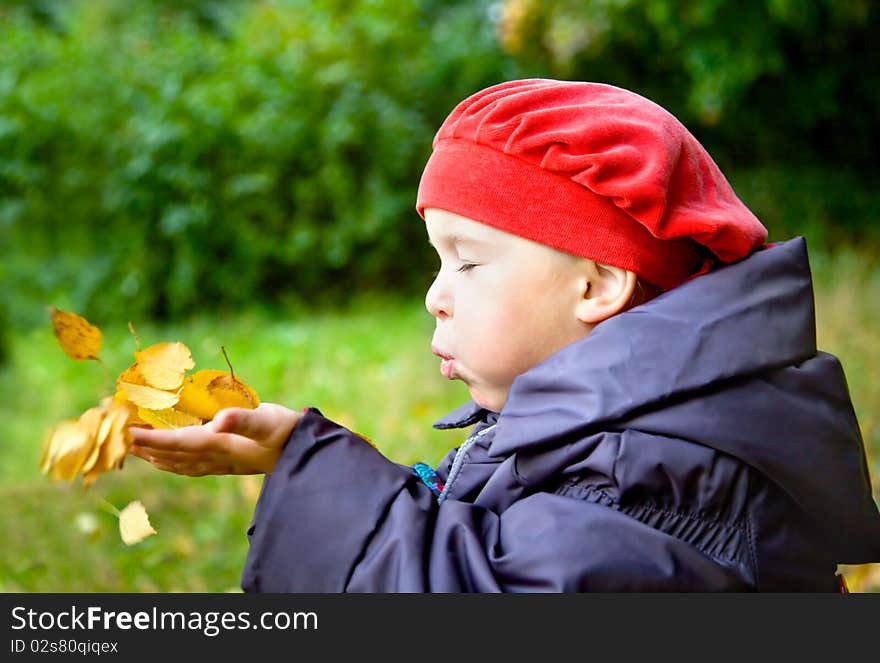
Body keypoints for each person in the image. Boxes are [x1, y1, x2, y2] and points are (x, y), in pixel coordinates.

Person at [129, 78, 880, 591]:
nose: (435, 295)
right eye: (438, 261)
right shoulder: (605, 430)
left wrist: (316, 468)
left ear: (597, 283)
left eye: (469, 260)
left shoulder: (670, 472)